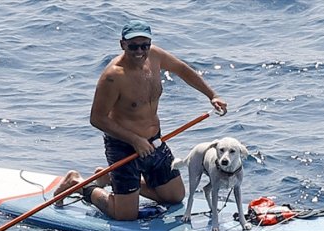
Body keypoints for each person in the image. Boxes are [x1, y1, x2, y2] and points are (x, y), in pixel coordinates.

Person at [55, 19, 228, 220]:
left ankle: (110, 178)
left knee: (175, 197)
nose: (139, 51)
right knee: (124, 215)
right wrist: (135, 140)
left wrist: (212, 95)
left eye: (144, 45)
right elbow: (97, 119)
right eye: (133, 46)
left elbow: (182, 70)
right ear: (122, 45)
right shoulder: (113, 76)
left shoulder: (155, 55)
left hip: (154, 142)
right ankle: (79, 185)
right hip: (124, 147)